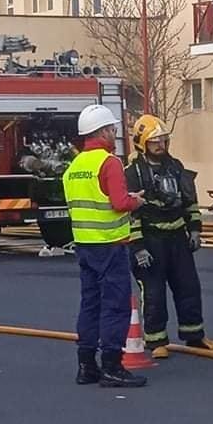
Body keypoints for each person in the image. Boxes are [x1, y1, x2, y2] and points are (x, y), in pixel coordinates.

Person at [63, 104, 147, 388]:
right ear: (102, 132)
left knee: (90, 304)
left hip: (84, 244)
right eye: (112, 129)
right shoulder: (109, 163)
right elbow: (119, 203)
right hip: (110, 245)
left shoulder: (74, 167)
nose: (115, 133)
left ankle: (86, 366)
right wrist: (136, 200)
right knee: (116, 305)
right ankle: (112, 365)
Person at [125, 114, 213, 359]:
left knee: (189, 287)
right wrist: (138, 247)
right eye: (155, 141)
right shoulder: (132, 173)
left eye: (164, 140)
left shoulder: (176, 167)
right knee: (154, 292)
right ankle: (156, 340)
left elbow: (190, 201)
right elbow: (129, 213)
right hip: (150, 240)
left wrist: (195, 229)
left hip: (177, 239)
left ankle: (195, 336)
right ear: (142, 143)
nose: (161, 145)